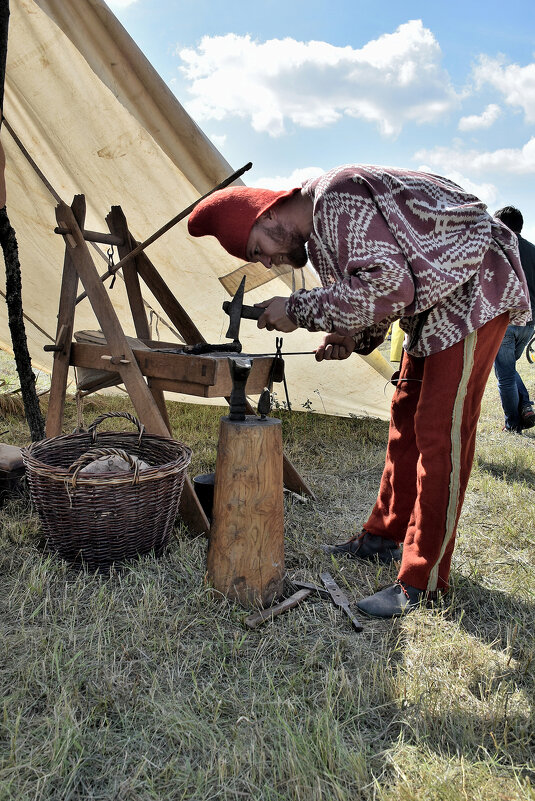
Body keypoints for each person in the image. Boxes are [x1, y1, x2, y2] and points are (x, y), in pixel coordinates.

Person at [188, 165, 530, 618]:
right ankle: (384, 537)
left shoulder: (335, 198)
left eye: (259, 250)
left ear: (267, 216)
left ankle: (424, 581)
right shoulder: (322, 237)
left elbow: (391, 285)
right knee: (406, 413)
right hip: (435, 303)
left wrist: (297, 308)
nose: (267, 262)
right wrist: (350, 336)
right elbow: (382, 291)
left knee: (439, 429)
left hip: (472, 288)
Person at [492, 206, 535, 433]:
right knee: (507, 368)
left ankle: (513, 424)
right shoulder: (533, 250)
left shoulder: (500, 249)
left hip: (505, 322)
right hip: (529, 325)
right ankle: (526, 406)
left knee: (505, 374)